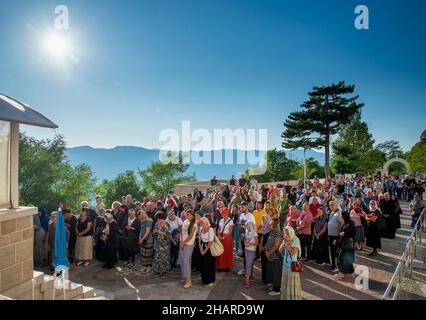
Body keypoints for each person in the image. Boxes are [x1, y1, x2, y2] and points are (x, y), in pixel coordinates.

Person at [279, 226, 302, 300]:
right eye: (285, 233)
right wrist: (284, 242)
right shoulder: (285, 239)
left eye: (287, 233)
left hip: (293, 265)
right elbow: (279, 250)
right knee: (286, 283)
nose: (286, 235)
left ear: (291, 232)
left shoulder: (296, 240)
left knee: (292, 284)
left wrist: (288, 243)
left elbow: (293, 253)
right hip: (285, 265)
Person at [179, 210, 197, 289]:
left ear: (192, 215)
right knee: (182, 261)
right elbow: (182, 232)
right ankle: (185, 277)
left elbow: (191, 236)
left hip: (189, 244)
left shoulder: (194, 224)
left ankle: (188, 281)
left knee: (186, 261)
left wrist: (184, 242)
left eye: (188, 214)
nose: (187, 215)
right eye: (186, 214)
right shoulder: (185, 221)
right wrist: (181, 241)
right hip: (182, 243)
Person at [335, 211, 355, 280]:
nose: (340, 216)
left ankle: (342, 274)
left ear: (344, 216)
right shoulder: (344, 223)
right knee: (347, 258)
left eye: (341, 215)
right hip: (344, 243)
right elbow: (341, 232)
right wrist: (337, 239)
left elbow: (348, 232)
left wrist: (344, 233)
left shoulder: (350, 223)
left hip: (348, 243)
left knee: (341, 258)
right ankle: (351, 273)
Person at [265, 219, 283, 296]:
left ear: (274, 224)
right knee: (272, 272)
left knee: (276, 273)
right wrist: (266, 250)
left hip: (275, 257)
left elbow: (276, 245)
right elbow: (268, 242)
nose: (269, 225)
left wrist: (269, 253)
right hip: (270, 256)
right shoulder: (272, 232)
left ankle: (277, 289)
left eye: (271, 224)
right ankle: (274, 286)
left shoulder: (278, 233)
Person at [152, 211, 171, 277]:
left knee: (164, 257)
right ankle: (157, 271)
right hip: (157, 243)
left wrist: (160, 232)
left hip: (164, 243)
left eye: (159, 218)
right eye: (157, 219)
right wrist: (154, 232)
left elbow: (168, 234)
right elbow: (153, 233)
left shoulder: (167, 224)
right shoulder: (156, 224)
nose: (158, 220)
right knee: (157, 257)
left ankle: (164, 272)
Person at [199, 217, 216, 287]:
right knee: (203, 264)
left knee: (209, 265)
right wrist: (200, 248)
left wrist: (205, 251)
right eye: (201, 223)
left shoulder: (210, 229)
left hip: (208, 248)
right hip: (202, 247)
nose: (201, 224)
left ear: (206, 222)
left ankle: (210, 280)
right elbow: (199, 239)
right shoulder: (201, 229)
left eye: (202, 223)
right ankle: (204, 280)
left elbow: (211, 241)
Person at [327, 201, 343, 272]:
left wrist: (339, 234)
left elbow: (341, 223)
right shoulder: (331, 212)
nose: (331, 206)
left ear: (336, 205)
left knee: (336, 251)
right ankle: (333, 265)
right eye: (330, 205)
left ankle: (338, 266)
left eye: (332, 205)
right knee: (332, 251)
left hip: (335, 235)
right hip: (330, 234)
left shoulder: (339, 213)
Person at [243, 220, 258, 288]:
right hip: (246, 250)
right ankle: (251, 275)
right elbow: (244, 241)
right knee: (249, 263)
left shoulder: (254, 233)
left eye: (247, 225)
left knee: (248, 264)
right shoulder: (246, 233)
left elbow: (257, 243)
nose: (246, 226)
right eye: (246, 225)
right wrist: (245, 243)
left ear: (250, 225)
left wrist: (250, 243)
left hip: (252, 250)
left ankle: (247, 280)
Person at [260, 213, 272, 284]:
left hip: (267, 248)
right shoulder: (264, 227)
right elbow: (262, 237)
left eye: (264, 219)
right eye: (263, 219)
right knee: (263, 263)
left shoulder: (269, 228)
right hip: (262, 248)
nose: (263, 220)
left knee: (267, 264)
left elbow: (269, 240)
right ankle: (263, 278)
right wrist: (260, 246)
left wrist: (264, 248)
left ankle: (267, 279)